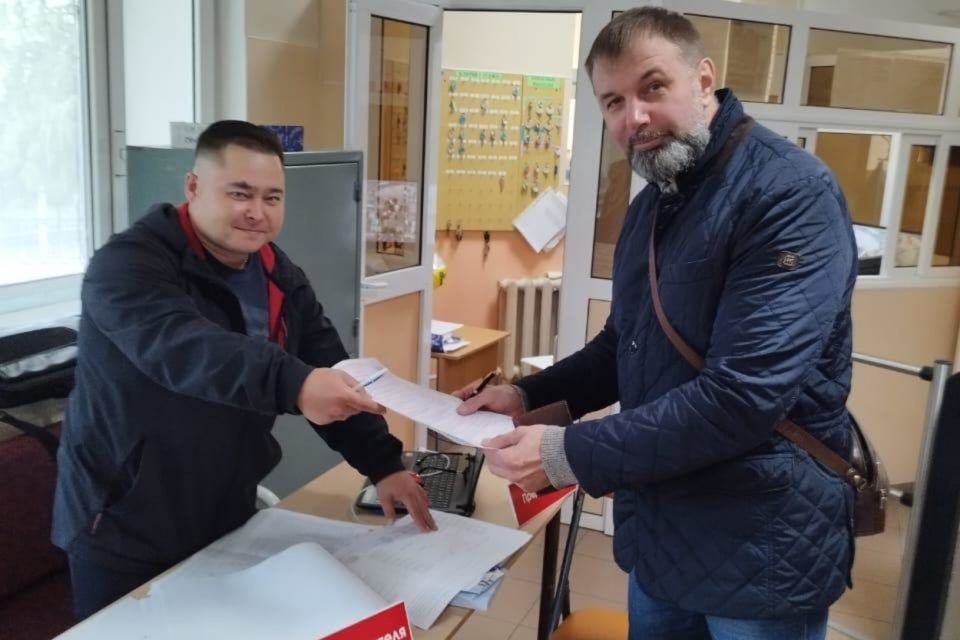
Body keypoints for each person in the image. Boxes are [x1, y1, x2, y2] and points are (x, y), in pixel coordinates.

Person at [457, 8, 857, 640]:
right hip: (662, 533)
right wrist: (526, 396)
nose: (634, 117)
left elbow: (743, 396)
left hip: (761, 547)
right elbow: (624, 344)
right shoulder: (653, 205)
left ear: (704, 80)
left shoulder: (789, 193)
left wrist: (567, 453)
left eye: (653, 87)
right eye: (613, 101)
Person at [53, 120, 435, 621]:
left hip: (224, 510)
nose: (257, 212)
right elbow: (184, 348)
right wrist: (293, 383)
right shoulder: (127, 266)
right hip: (124, 523)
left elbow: (329, 364)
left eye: (272, 197)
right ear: (193, 187)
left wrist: (383, 463)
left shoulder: (275, 270)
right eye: (240, 193)